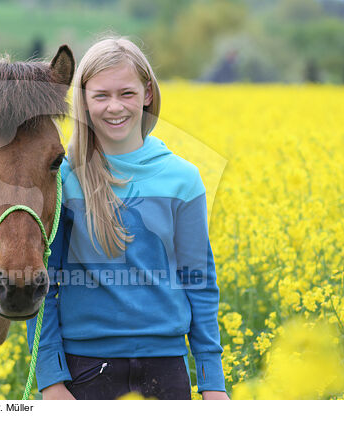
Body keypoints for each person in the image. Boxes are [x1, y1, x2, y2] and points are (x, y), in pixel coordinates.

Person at [26, 37, 229, 400]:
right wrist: (51, 381)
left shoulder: (183, 178)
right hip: (84, 368)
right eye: (101, 95)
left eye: (127, 93)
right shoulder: (63, 177)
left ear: (148, 93)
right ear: (84, 101)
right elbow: (44, 284)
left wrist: (212, 382)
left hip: (167, 367)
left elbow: (199, 282)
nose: (114, 107)